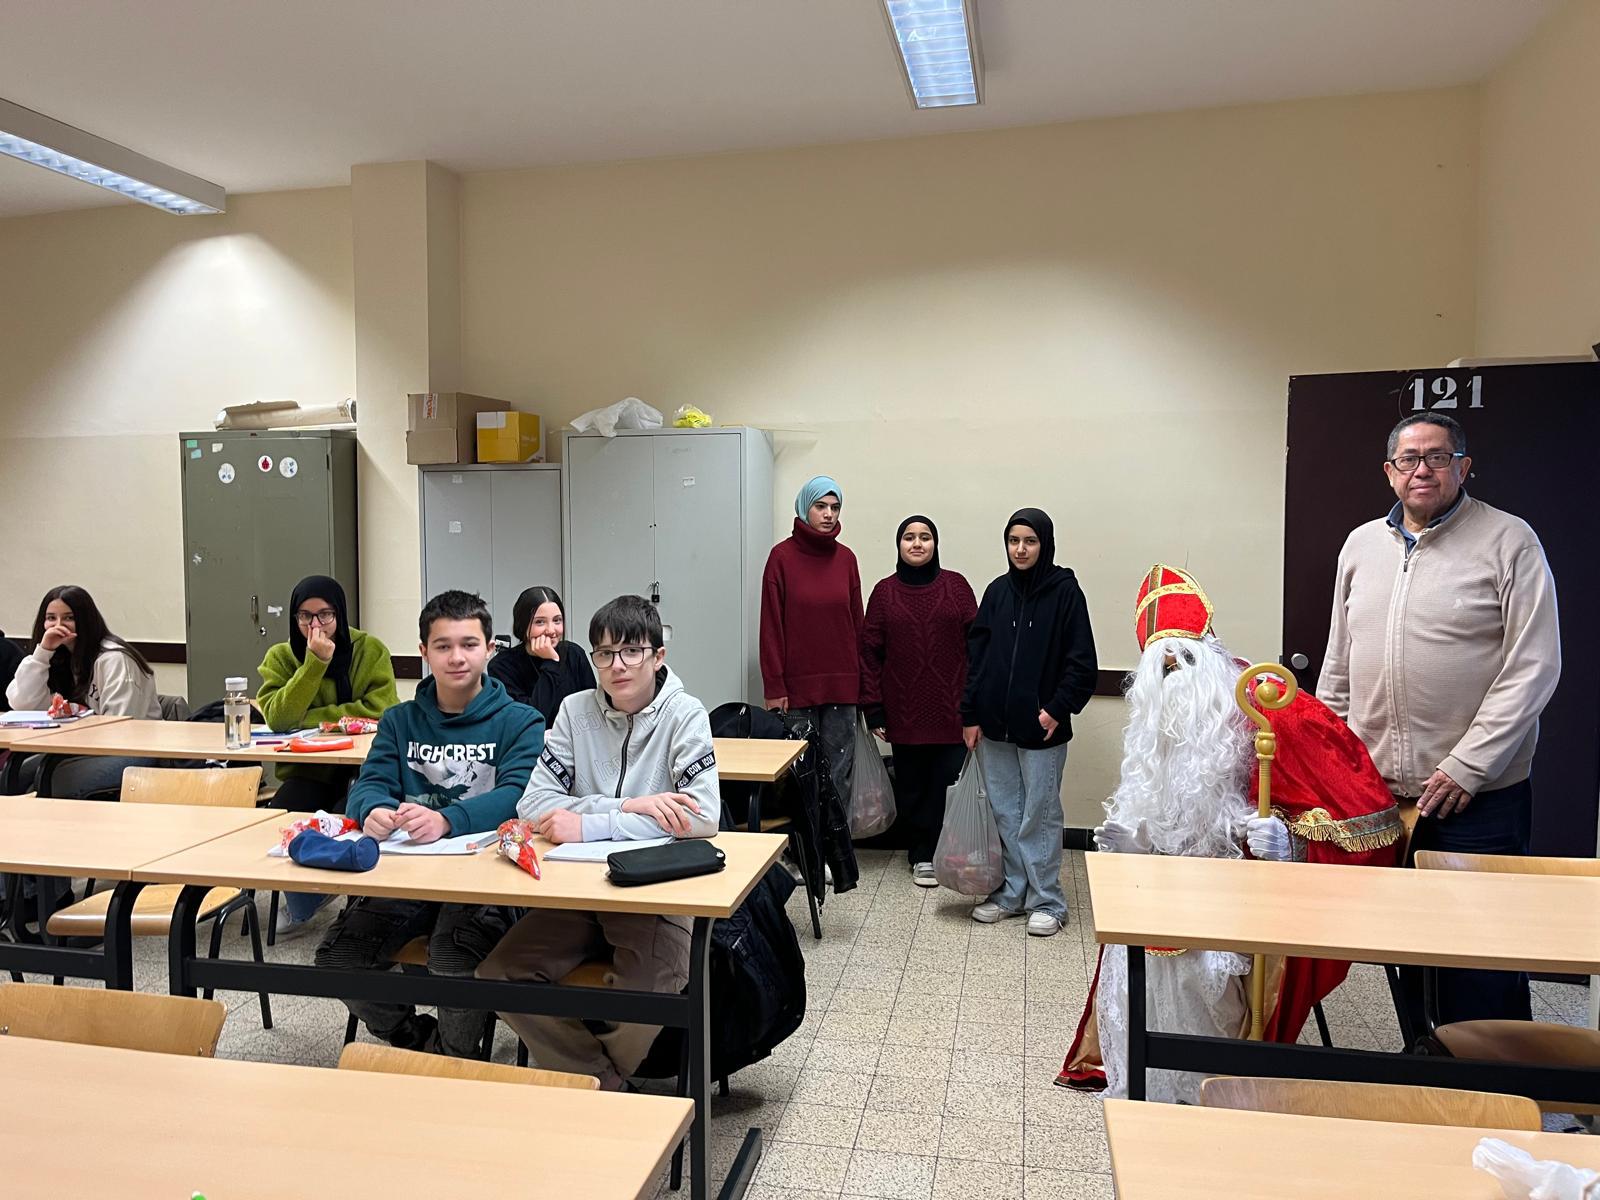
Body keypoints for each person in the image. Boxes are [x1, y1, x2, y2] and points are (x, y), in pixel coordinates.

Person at [1060, 564, 1402, 1103]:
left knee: (1201, 974)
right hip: (1157, 901)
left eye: (1183, 659)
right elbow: (1157, 814)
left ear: (1209, 652)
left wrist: (1291, 844)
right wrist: (1133, 847)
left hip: (1234, 902)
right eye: (1161, 667)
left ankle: (1208, 1087)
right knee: (1131, 961)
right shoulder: (1153, 726)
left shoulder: (1266, 705)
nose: (1173, 675)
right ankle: (1147, 1083)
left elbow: (1369, 818)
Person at [1319, 412, 1560, 1028]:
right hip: (1382, 797)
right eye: (1409, 459)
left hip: (1476, 798)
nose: (1421, 469)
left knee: (1480, 960)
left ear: (1463, 466)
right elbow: (1338, 666)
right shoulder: (1360, 546)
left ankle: (1496, 1077)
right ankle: (1425, 1064)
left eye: (1437, 457)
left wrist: (1468, 766)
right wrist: (1332, 765)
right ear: (1389, 471)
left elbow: (1533, 666)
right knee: (1408, 950)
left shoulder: (1509, 541)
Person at [477, 594, 721, 1090]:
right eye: (604, 654)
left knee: (643, 991)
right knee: (500, 975)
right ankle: (606, 1086)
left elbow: (701, 816)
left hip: (654, 893)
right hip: (577, 890)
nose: (617, 665)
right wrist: (630, 808)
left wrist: (588, 823)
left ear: (658, 656)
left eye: (632, 651)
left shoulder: (685, 714)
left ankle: (595, 1086)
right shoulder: (574, 711)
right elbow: (532, 804)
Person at [315, 590, 544, 1058]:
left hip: (486, 881)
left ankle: (458, 1058)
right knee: (338, 958)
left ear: (489, 649)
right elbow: (369, 783)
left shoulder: (521, 721)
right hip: (408, 875)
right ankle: (418, 1040)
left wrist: (446, 819)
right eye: (443, 646)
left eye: (469, 644)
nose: (456, 657)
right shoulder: (399, 721)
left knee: (452, 957)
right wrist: (372, 808)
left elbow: (518, 795)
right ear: (424, 651)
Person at [960, 509, 1097, 936]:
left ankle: (1047, 901)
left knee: (1039, 814)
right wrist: (970, 714)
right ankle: (1012, 894)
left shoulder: (1065, 593)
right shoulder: (996, 592)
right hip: (993, 727)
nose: (1020, 549)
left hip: (1042, 728)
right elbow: (977, 660)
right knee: (1007, 812)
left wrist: (1056, 709)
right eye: (1013, 540)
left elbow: (1082, 664)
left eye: (1030, 541)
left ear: (1045, 544)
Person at [257, 574, 399, 938]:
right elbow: (280, 718)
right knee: (283, 816)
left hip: (361, 769)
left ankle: (349, 901)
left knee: (352, 816)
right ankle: (304, 898)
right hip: (308, 770)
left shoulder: (369, 650)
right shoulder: (282, 656)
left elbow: (381, 709)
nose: (315, 626)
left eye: (325, 615)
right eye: (305, 617)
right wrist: (314, 664)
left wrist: (313, 718)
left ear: (340, 614)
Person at [860, 514, 978, 887]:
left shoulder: (957, 587)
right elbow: (869, 654)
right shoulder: (884, 592)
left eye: (925, 537)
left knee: (948, 785)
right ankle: (921, 855)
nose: (917, 543)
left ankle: (949, 852)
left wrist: (975, 705)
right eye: (909, 537)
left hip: (952, 712)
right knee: (913, 788)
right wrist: (873, 708)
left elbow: (978, 647)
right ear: (899, 545)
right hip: (904, 713)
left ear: (935, 544)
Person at [760, 475, 863, 807]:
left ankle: (837, 841)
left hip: (842, 688)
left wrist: (863, 685)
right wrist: (774, 687)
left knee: (839, 775)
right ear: (805, 508)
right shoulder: (781, 558)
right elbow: (771, 627)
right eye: (820, 506)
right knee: (799, 776)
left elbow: (857, 624)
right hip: (795, 691)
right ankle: (805, 841)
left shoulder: (846, 559)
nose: (829, 514)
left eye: (835, 507)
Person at [6, 585, 161, 797]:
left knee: (57, 781)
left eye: (68, 618)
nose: (58, 626)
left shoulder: (114, 659)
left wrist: (77, 722)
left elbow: (122, 727)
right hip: (78, 747)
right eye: (51, 618)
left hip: (132, 751)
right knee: (14, 775)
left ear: (85, 620)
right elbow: (22, 703)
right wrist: (43, 652)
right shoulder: (56, 656)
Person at [486, 585, 596, 727]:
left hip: (576, 738)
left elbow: (591, 709)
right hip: (530, 739)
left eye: (557, 620)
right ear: (522, 625)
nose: (551, 630)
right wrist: (551, 662)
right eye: (540, 622)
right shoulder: (501, 666)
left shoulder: (574, 654)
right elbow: (531, 719)